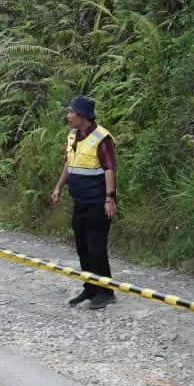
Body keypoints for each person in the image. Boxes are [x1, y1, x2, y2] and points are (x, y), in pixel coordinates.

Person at [50, 95, 117, 309]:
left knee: (96, 248)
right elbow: (69, 164)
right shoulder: (72, 135)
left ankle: (106, 292)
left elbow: (109, 169)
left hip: (98, 202)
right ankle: (90, 288)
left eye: (71, 112)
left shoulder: (102, 138)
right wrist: (59, 187)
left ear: (84, 116)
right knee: (82, 247)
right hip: (79, 201)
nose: (68, 116)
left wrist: (109, 198)